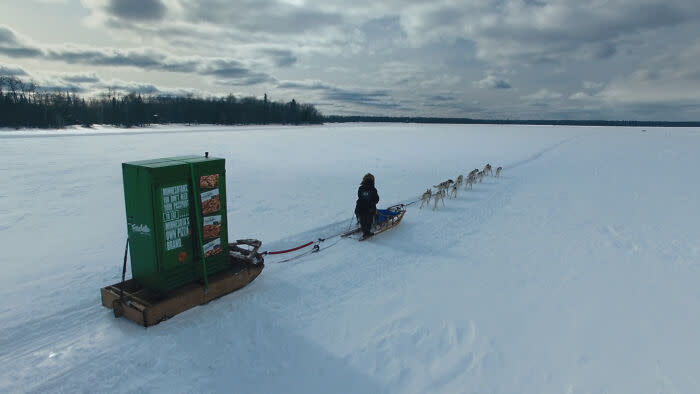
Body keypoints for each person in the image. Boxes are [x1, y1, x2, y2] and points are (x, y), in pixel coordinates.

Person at [354, 173, 379, 238]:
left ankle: (364, 229)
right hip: (369, 209)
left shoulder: (361, 188)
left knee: (362, 219)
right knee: (369, 221)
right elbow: (376, 199)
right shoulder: (373, 189)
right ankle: (367, 233)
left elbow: (359, 196)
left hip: (360, 207)